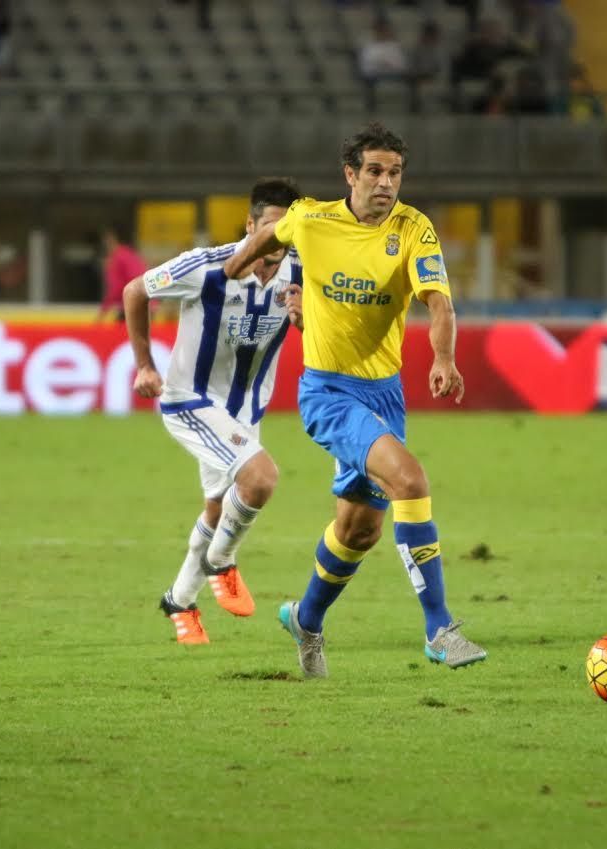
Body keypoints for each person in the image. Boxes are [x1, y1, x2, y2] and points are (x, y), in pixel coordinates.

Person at [222, 123, 487, 678]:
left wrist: (442, 358)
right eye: (374, 171)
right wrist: (231, 267)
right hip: (327, 391)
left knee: (359, 529)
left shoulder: (413, 228)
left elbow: (438, 301)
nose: (385, 183)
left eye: (394, 172)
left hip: (385, 394)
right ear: (350, 173)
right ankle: (439, 629)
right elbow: (271, 237)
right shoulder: (313, 218)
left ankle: (305, 619)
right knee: (410, 480)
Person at [123, 178, 303, 645]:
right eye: (269, 230)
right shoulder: (204, 266)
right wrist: (145, 365)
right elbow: (134, 291)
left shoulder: (302, 272)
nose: (275, 243)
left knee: (218, 505)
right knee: (261, 478)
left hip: (246, 409)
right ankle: (221, 560)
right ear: (250, 225)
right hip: (191, 402)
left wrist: (309, 317)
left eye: (286, 234)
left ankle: (179, 602)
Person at [96, 226, 146, 323]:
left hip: (134, 303)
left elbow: (116, 288)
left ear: (111, 239)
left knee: (121, 334)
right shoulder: (130, 254)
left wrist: (103, 312)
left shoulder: (117, 258)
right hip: (146, 302)